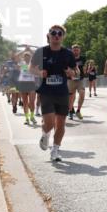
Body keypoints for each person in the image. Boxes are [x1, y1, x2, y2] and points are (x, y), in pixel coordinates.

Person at [31, 26, 77, 162]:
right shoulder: (41, 51)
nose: (56, 35)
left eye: (60, 33)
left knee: (61, 123)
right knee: (50, 122)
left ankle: (55, 150)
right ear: (48, 36)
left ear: (63, 36)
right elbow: (31, 68)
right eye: (53, 33)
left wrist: (72, 73)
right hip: (46, 91)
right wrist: (39, 73)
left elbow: (76, 71)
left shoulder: (68, 54)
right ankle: (45, 133)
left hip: (62, 92)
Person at [16, 49, 38, 126]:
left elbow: (37, 54)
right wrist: (24, 50)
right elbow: (16, 56)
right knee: (25, 102)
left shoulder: (33, 63)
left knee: (31, 102)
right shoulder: (22, 63)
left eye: (28, 56)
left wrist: (29, 50)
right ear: (23, 57)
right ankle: (27, 118)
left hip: (31, 83)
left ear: (30, 57)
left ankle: (32, 116)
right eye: (25, 57)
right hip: (23, 83)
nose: (27, 58)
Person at [67, 44, 86, 120]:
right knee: (71, 97)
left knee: (82, 93)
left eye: (77, 50)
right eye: (74, 50)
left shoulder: (83, 58)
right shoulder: (68, 58)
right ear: (72, 50)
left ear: (79, 51)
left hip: (80, 79)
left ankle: (78, 110)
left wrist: (84, 71)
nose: (76, 52)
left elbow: (84, 67)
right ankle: (70, 111)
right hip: (70, 79)